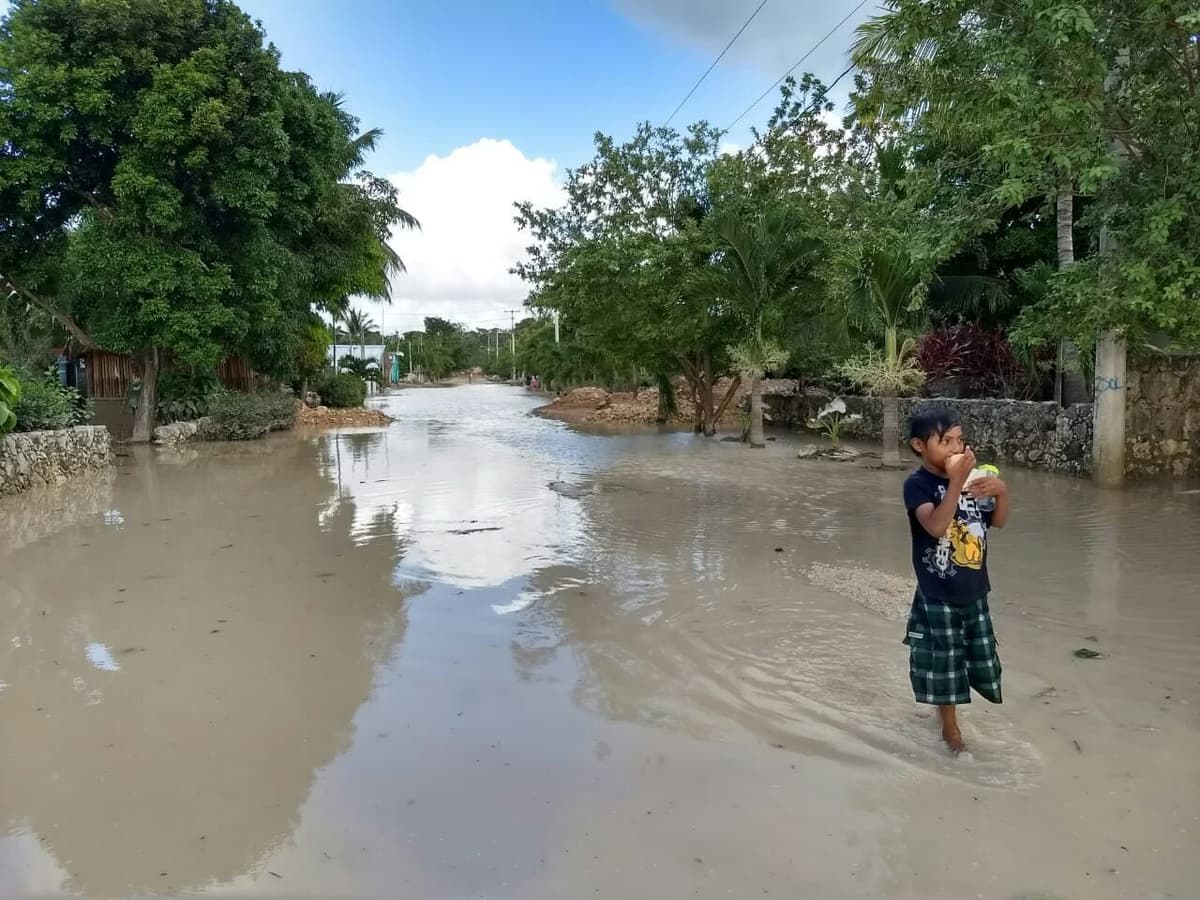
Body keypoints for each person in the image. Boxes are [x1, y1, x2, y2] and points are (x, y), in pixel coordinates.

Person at [902, 408, 1010, 754]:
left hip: (975, 589)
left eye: (959, 440)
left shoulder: (973, 480)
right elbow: (935, 526)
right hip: (938, 592)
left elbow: (999, 522)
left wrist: (1002, 491)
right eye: (945, 441)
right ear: (920, 445)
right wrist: (953, 483)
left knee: (980, 659)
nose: (955, 447)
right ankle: (951, 730)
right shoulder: (917, 485)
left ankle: (955, 711)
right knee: (944, 662)